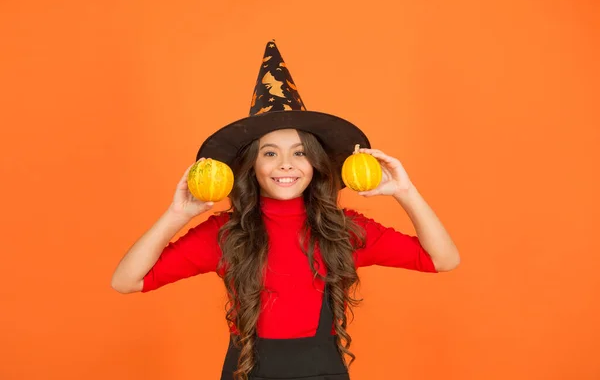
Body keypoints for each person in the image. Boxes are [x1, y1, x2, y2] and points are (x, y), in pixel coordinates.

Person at [111, 41, 460, 380]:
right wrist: (178, 214)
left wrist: (405, 191)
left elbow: (443, 259)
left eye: (299, 152)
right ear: (251, 166)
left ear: (316, 163)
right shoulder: (225, 234)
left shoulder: (342, 230)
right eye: (269, 153)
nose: (285, 165)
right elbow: (126, 280)